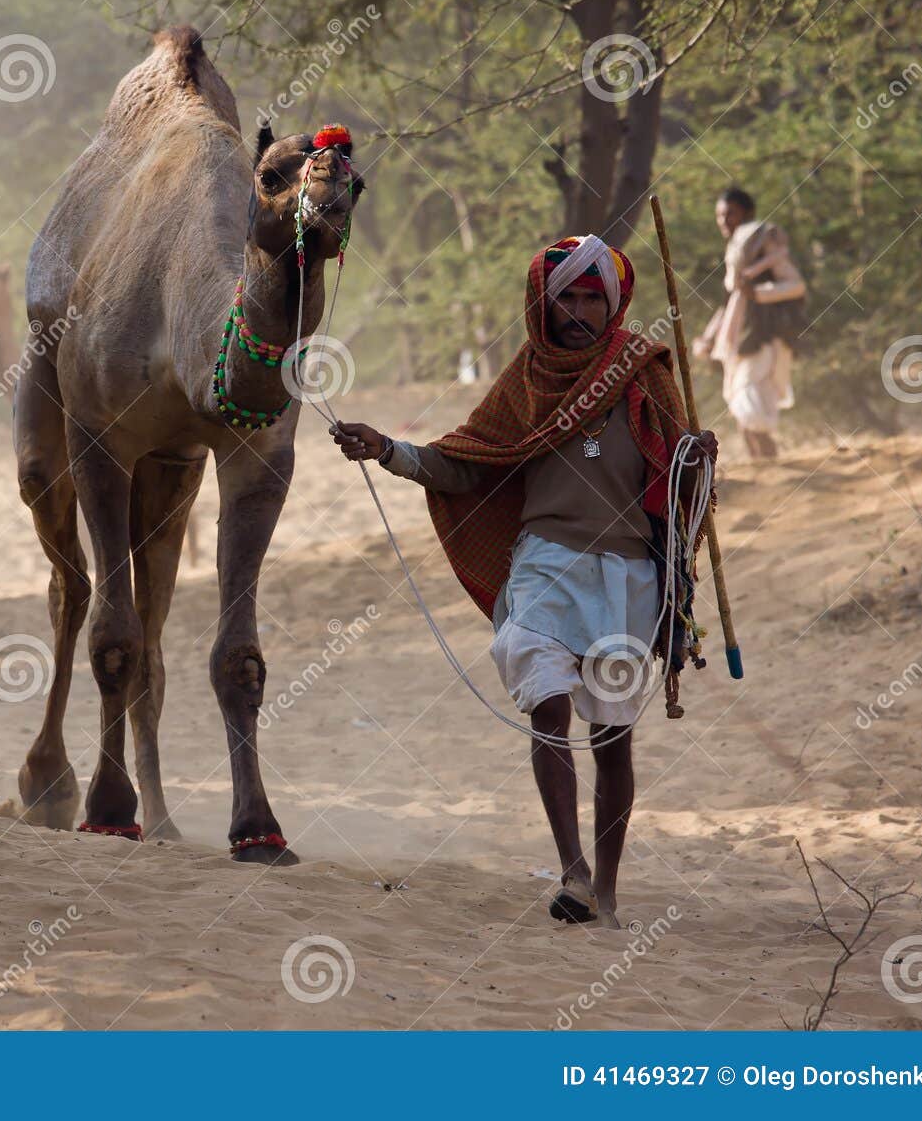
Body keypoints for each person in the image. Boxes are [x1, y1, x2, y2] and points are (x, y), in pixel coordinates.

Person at [331, 235, 716, 928]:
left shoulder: (645, 369)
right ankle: (572, 869)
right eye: (566, 295)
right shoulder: (526, 378)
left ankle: (609, 888)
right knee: (545, 703)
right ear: (544, 302)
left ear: (613, 302)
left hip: (628, 575)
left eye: (591, 296)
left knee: (613, 739)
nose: (578, 309)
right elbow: (469, 460)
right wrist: (388, 450)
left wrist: (698, 457)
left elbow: (680, 479)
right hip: (544, 563)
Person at [693, 187, 806, 460]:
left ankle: (772, 470)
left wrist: (758, 293)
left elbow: (796, 286)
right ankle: (765, 475)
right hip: (739, 332)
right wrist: (709, 337)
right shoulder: (737, 248)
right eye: (720, 215)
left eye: (730, 213)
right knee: (740, 401)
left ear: (747, 212)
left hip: (764, 332)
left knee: (749, 398)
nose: (724, 220)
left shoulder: (763, 240)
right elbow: (731, 299)